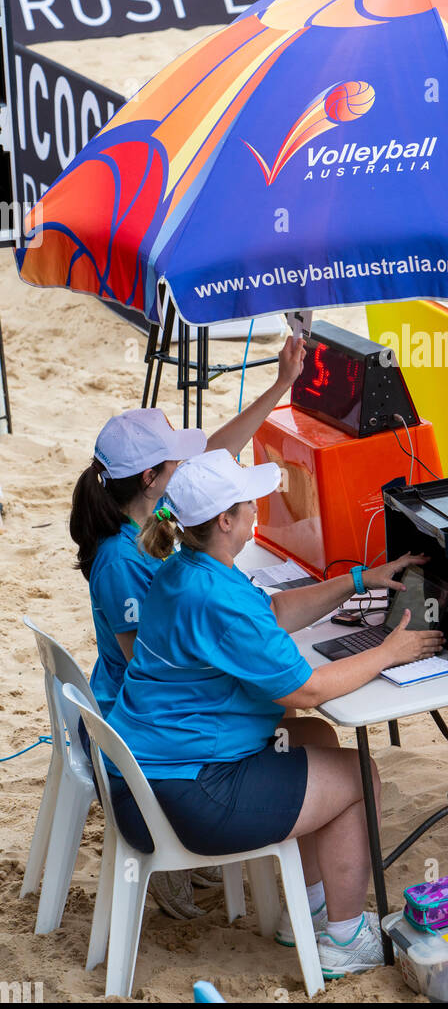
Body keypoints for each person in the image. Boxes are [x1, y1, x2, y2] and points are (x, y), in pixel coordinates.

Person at [104, 449, 443, 976]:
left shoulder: (186, 568)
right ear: (225, 520)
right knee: (361, 775)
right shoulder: (214, 595)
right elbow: (305, 690)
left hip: (153, 775)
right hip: (188, 797)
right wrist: (388, 653)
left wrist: (361, 579)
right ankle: (347, 939)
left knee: (316, 740)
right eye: (248, 501)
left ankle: (306, 911)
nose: (257, 507)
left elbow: (278, 612)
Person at [69, 331, 306, 917]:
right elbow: (142, 657)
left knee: (279, 710)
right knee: (280, 706)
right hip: (142, 728)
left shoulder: (147, 523)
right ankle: (189, 852)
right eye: (176, 459)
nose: (188, 462)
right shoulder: (122, 559)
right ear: (153, 478)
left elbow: (214, 458)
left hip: (146, 719)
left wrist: (281, 384)